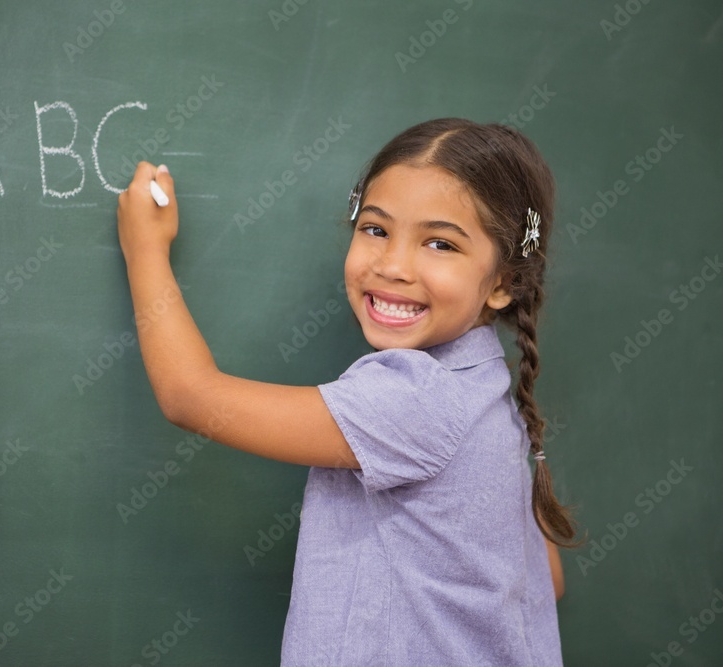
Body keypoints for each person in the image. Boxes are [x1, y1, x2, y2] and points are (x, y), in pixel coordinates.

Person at [116, 117, 580, 665]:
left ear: (503, 282)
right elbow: (545, 580)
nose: (392, 265)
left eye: (440, 243)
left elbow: (190, 398)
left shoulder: (416, 398)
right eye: (376, 229)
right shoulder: (484, 390)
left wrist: (145, 251)